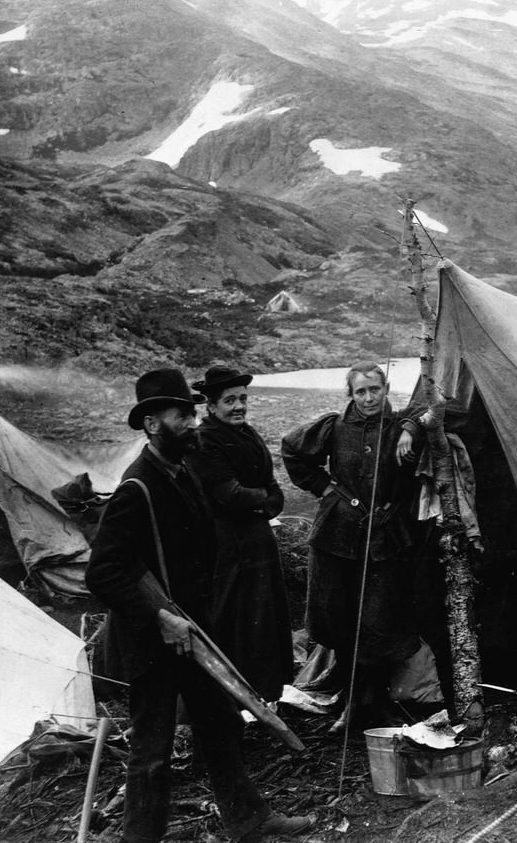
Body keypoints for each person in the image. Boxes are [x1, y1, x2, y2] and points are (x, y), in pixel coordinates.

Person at [85, 369, 312, 843]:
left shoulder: (183, 473)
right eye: (180, 415)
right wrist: (160, 617)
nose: (192, 422)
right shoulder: (137, 488)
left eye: (192, 413)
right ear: (151, 424)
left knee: (221, 725)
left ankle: (249, 820)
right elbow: (104, 573)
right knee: (153, 752)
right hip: (152, 642)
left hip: (193, 636)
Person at [280, 360, 424, 731]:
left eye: (375, 389)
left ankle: (378, 703)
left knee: (380, 622)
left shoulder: (401, 425)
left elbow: (444, 407)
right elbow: (291, 449)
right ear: (351, 394)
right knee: (339, 621)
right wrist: (322, 487)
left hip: (386, 537)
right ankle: (352, 704)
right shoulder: (335, 426)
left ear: (386, 389)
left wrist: (409, 425)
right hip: (337, 537)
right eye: (360, 391)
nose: (368, 397)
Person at [186, 365, 293, 704]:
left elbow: (275, 492)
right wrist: (263, 498)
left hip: (258, 541)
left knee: (263, 619)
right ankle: (230, 700)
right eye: (229, 400)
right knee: (235, 618)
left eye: (243, 399)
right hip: (228, 547)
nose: (239, 407)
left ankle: (262, 696)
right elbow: (228, 494)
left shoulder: (249, 434)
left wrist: (263, 499)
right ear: (212, 405)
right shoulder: (204, 440)